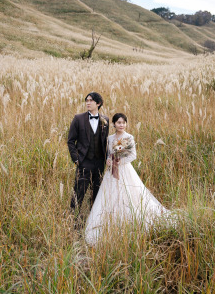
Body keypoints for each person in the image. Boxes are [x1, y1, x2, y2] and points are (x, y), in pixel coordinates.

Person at [84, 113, 170, 245]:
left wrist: (119, 162)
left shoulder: (129, 137)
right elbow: (108, 153)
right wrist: (109, 160)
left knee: (128, 192)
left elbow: (133, 155)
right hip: (111, 171)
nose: (121, 125)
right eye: (119, 122)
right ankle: (111, 218)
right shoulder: (109, 138)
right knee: (111, 193)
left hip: (124, 169)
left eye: (123, 122)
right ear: (114, 124)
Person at [67, 92, 110, 226]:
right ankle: (72, 221)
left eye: (91, 100)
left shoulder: (105, 120)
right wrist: (76, 159)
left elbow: (105, 142)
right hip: (84, 162)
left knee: (96, 194)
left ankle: (93, 223)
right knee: (78, 193)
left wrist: (107, 158)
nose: (88, 103)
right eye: (86, 100)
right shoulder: (78, 118)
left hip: (99, 163)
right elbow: (70, 141)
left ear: (98, 103)